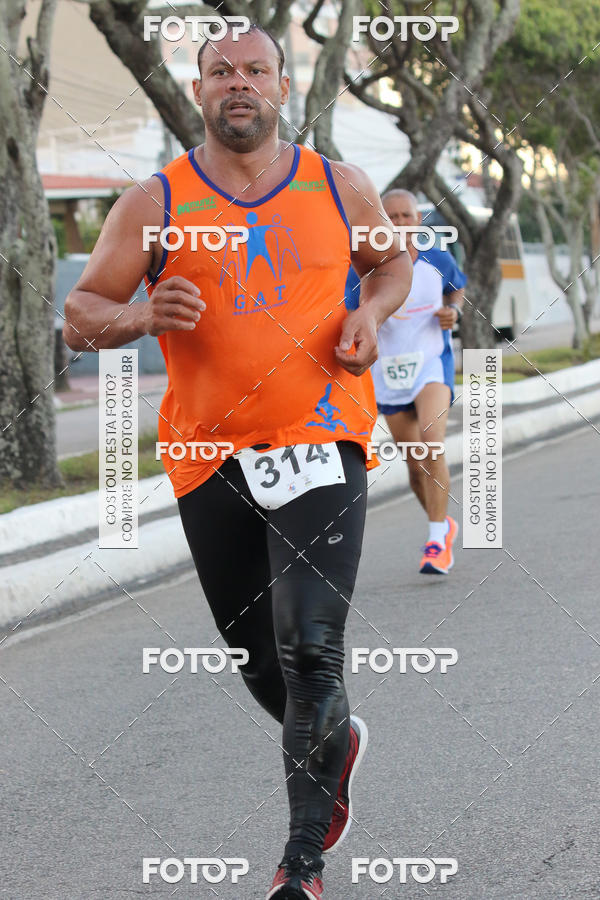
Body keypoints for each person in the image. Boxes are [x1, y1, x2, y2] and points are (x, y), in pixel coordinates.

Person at [63, 23, 412, 900]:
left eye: (256, 69)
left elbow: (391, 262)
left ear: (284, 88)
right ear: (200, 92)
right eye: (221, 72)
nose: (238, 83)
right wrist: (141, 318)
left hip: (321, 440)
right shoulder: (156, 203)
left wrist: (370, 313)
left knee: (309, 651)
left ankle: (300, 866)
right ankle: (338, 741)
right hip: (206, 455)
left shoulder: (340, 185)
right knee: (262, 663)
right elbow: (79, 313)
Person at [369, 189, 466, 574]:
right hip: (388, 374)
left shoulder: (437, 258)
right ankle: (444, 524)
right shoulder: (364, 266)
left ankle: (435, 541)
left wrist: (452, 312)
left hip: (431, 366)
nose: (399, 223)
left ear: (418, 220)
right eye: (391, 216)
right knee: (413, 466)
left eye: (406, 216)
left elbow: (457, 288)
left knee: (430, 442)